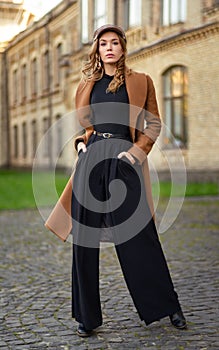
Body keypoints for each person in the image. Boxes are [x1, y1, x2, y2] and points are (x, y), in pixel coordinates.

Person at [45, 24, 187, 337]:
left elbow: (153, 124)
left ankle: (168, 305)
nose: (109, 48)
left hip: (125, 161)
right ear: (97, 50)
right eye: (103, 43)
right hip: (92, 160)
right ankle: (86, 316)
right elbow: (88, 127)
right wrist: (82, 145)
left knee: (141, 236)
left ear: (123, 48)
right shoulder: (87, 84)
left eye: (115, 43)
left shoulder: (141, 81)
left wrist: (136, 153)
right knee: (84, 240)